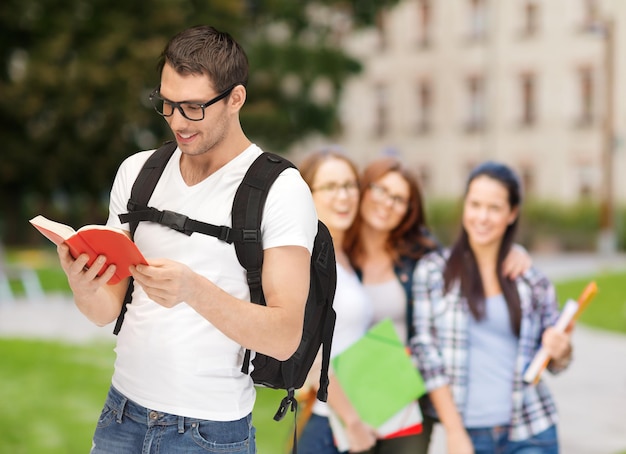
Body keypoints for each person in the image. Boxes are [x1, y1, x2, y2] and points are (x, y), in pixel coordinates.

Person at [55, 25, 317, 454]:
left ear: (236, 99)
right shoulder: (138, 172)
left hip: (208, 433)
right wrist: (83, 284)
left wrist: (193, 290)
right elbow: (105, 311)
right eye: (167, 104)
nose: (178, 121)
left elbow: (286, 336)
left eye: (194, 107)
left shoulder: (281, 189)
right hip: (121, 415)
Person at [343, 157, 532, 454]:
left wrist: (513, 250)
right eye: (380, 190)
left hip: (402, 393)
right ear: (364, 189)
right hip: (341, 392)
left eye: (400, 199)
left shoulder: (419, 254)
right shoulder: (333, 250)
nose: (387, 203)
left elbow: (467, 256)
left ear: (409, 210)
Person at [411, 161, 573, 454]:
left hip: (531, 430)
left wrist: (562, 352)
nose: (482, 217)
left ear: (512, 214)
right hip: (468, 434)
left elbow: (553, 361)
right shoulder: (433, 273)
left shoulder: (532, 281)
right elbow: (427, 356)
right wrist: (454, 431)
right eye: (475, 205)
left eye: (495, 208)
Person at [296, 148, 377, 454]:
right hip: (331, 426)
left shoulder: (342, 254)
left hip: (354, 421)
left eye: (349, 185)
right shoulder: (308, 258)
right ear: (308, 195)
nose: (343, 196)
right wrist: (353, 422)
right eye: (330, 187)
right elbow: (312, 352)